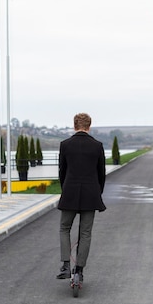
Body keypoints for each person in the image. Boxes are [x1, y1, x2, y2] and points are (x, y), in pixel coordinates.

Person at [56, 112, 106, 282]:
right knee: (85, 233)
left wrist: (66, 189)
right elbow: (101, 174)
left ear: (74, 125)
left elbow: (62, 171)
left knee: (64, 228)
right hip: (90, 195)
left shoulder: (65, 145)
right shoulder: (97, 145)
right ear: (89, 126)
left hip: (70, 192)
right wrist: (97, 193)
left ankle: (65, 265)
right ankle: (79, 270)